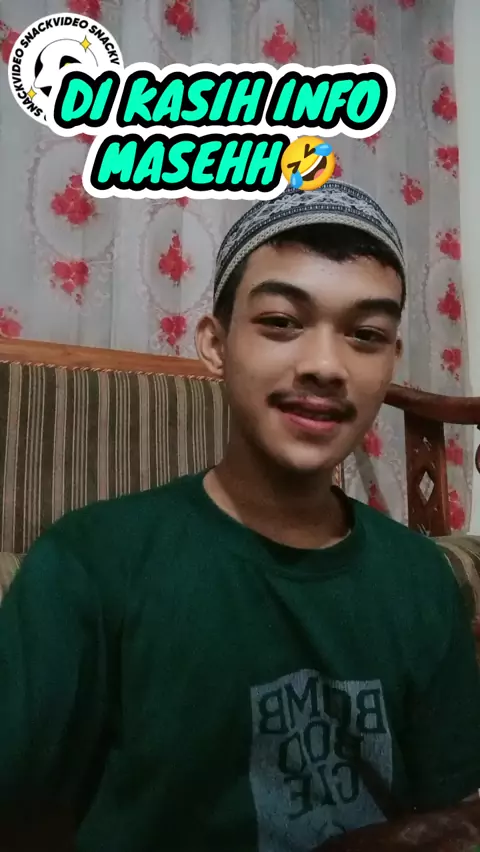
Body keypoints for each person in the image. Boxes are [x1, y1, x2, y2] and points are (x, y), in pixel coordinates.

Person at [0, 181, 479, 852]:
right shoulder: (88, 564)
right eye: (281, 322)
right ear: (216, 343)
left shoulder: (422, 578)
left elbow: (451, 812)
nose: (325, 366)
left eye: (366, 335)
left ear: (391, 359)